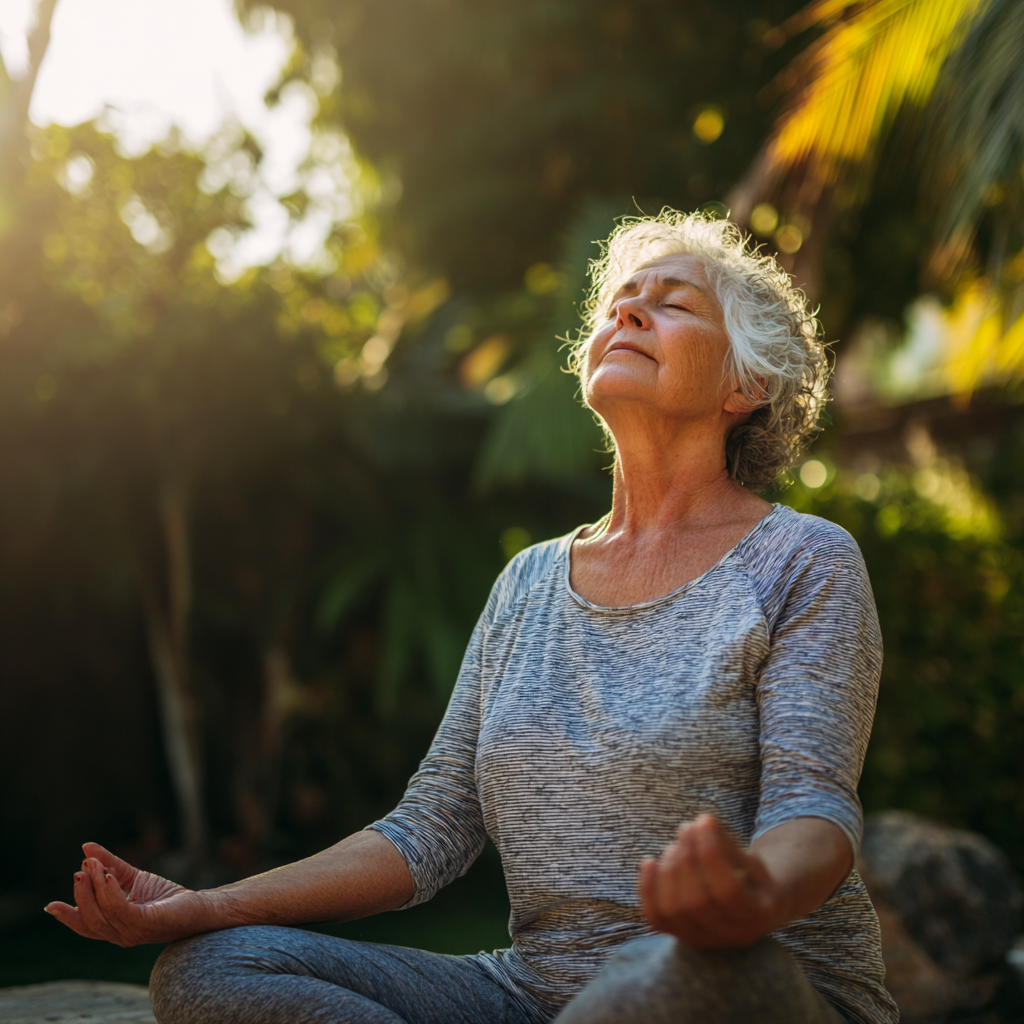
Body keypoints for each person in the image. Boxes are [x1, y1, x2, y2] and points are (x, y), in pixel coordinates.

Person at [46, 210, 898, 1024]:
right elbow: (427, 833)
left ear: (747, 385)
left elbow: (813, 815)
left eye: (673, 304)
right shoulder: (527, 584)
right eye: (618, 303)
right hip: (534, 995)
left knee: (647, 986)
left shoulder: (801, 560)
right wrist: (205, 906)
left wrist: (752, 894)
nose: (629, 309)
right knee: (211, 966)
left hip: (745, 989)